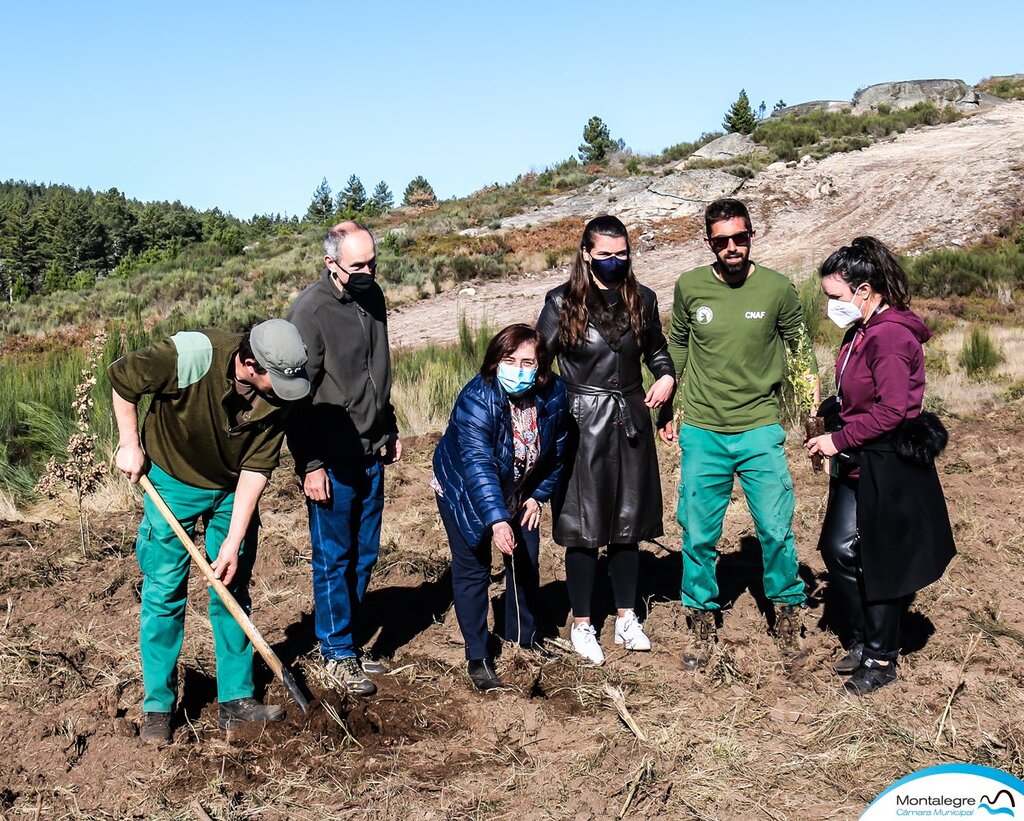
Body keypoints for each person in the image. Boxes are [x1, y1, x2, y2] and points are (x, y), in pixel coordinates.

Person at [109, 319, 311, 744]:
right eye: (278, 380)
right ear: (250, 363)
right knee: (164, 591)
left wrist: (234, 542)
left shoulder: (284, 392)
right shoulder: (192, 355)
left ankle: (236, 700)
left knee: (230, 584)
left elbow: (257, 469)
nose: (287, 388)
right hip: (171, 479)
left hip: (231, 489)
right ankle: (158, 707)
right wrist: (130, 442)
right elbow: (123, 377)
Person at [665, 198, 818, 669]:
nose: (732, 247)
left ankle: (788, 621)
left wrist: (813, 414)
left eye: (740, 237)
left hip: (759, 429)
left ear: (751, 236)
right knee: (698, 532)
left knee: (775, 529)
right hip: (704, 432)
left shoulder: (776, 288)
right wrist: (666, 404)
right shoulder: (690, 286)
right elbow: (678, 344)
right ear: (709, 242)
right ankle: (701, 624)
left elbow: (799, 347)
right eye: (721, 240)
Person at [805, 236, 955, 695]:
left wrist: (838, 438)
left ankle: (881, 657)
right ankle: (863, 636)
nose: (832, 306)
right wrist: (833, 406)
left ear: (864, 290)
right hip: (858, 462)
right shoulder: (861, 331)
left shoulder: (889, 336)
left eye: (836, 297)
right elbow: (863, 394)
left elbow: (891, 411)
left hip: (885, 463)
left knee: (878, 559)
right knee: (837, 548)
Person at [537, 215, 676, 665]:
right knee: (582, 526)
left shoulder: (643, 299)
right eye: (606, 255)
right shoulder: (561, 302)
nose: (615, 262)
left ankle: (625, 617)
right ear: (586, 253)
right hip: (580, 424)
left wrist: (667, 377)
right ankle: (581, 623)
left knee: (627, 522)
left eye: (622, 254)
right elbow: (540, 362)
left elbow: (656, 349)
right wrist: (547, 413)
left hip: (630, 417)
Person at [286, 221, 401, 698]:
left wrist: (388, 425)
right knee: (334, 558)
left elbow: (378, 368)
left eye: (372, 263)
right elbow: (295, 397)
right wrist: (309, 463)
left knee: (366, 552)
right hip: (331, 457)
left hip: (371, 448)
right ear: (331, 264)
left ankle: (348, 642)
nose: (368, 272)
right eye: (357, 266)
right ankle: (334, 654)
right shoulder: (308, 313)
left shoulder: (372, 297)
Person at [432, 324, 571, 691]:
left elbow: (557, 451)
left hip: (521, 489)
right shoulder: (477, 398)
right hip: (465, 490)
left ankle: (523, 639)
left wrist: (538, 495)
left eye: (528, 361)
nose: (518, 368)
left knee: (526, 561)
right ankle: (478, 656)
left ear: (541, 367)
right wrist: (497, 520)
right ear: (495, 361)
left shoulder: (554, 393)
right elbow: (477, 463)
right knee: (473, 567)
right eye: (509, 360)